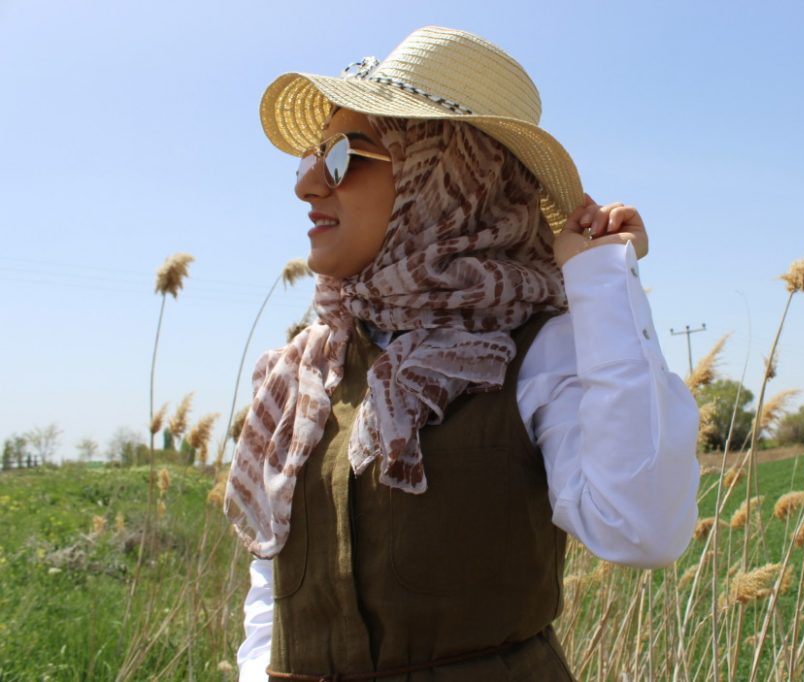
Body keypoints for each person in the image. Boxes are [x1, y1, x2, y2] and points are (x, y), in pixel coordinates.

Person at [224, 25, 700, 682]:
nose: (307, 183)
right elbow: (272, 592)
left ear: (444, 175)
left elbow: (641, 526)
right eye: (311, 156)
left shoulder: (538, 350)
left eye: (340, 157)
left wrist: (603, 285)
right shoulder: (305, 370)